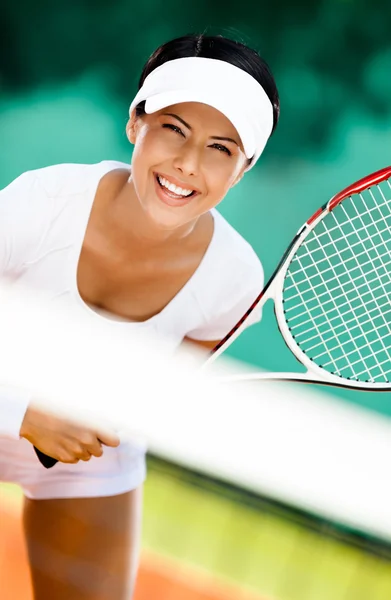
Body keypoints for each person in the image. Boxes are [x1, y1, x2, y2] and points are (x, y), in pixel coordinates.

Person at [0, 33, 280, 600]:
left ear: (242, 169)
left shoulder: (235, 279)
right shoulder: (42, 202)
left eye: (220, 149)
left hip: (90, 461)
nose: (186, 163)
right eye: (174, 129)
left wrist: (134, 410)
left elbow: (169, 389)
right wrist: (21, 409)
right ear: (136, 123)